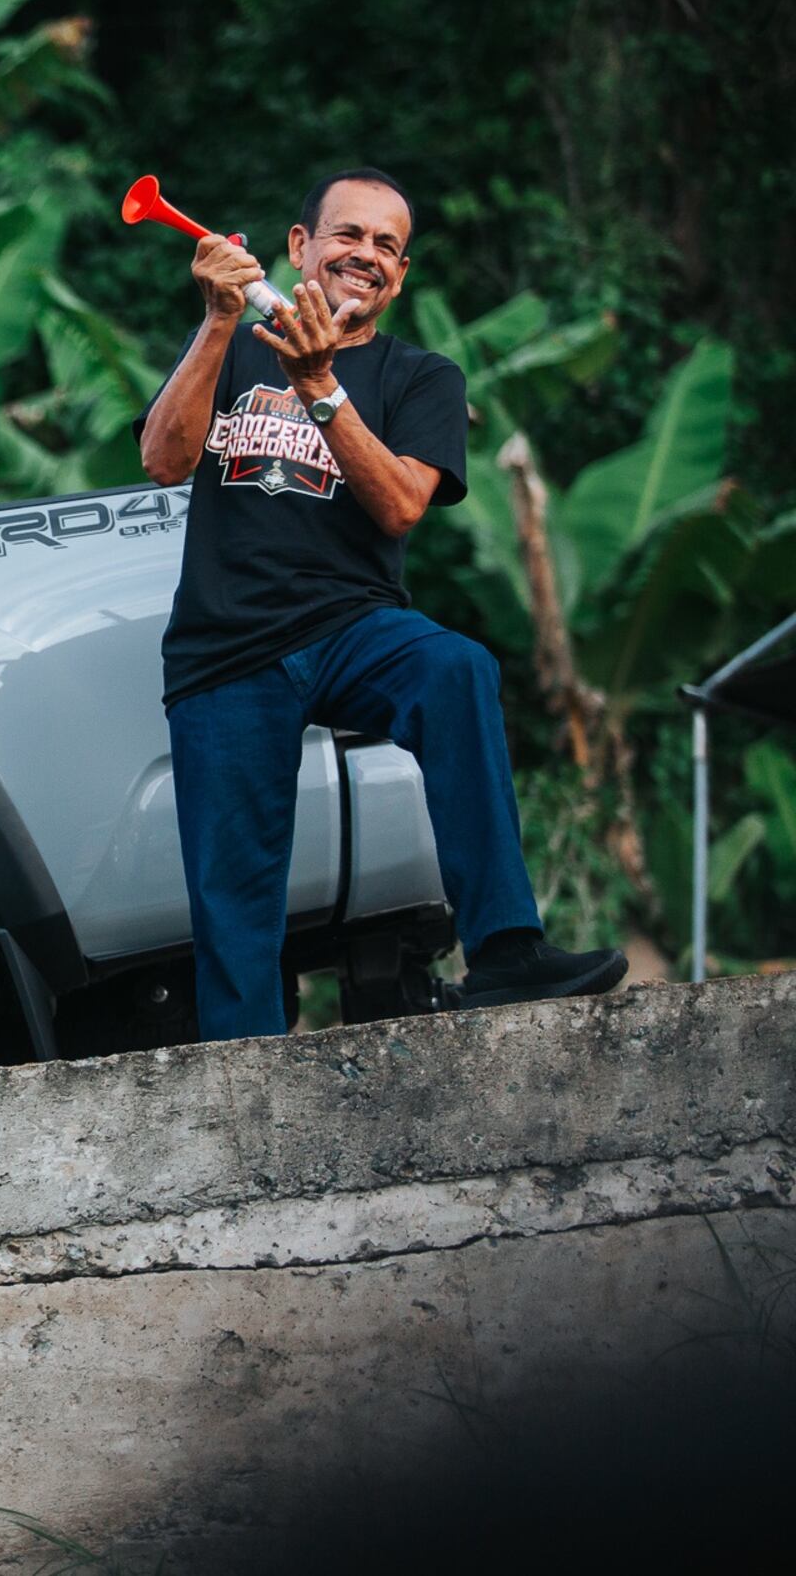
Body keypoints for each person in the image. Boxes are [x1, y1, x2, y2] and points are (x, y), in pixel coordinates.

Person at [136, 166, 626, 1040]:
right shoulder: (233, 344)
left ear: (401, 276)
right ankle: (239, 1071)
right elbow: (165, 461)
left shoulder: (422, 376)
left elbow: (402, 502)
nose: (367, 256)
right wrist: (216, 322)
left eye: (387, 248)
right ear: (300, 248)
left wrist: (322, 387)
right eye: (349, 235)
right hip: (225, 648)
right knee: (235, 903)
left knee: (457, 668)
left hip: (353, 624)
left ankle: (508, 950)